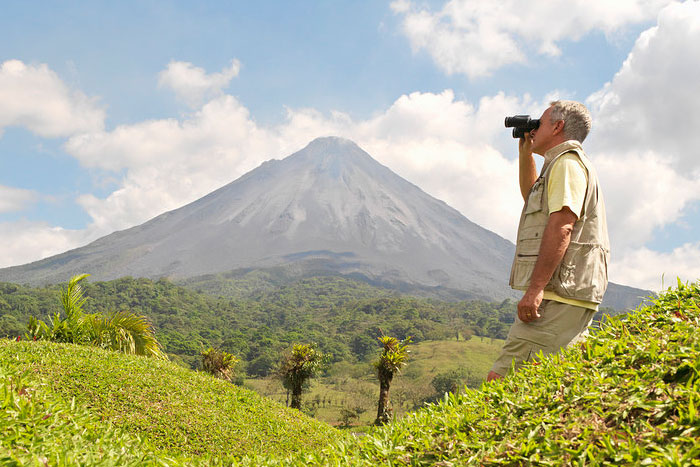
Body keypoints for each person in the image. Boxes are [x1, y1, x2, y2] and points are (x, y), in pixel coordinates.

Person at [487, 100, 610, 381]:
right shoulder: (560, 165)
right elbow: (534, 198)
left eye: (539, 124)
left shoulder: (567, 164)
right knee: (549, 381)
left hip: (556, 295)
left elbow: (562, 225)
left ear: (558, 126)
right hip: (568, 294)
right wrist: (525, 152)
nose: (534, 129)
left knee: (500, 384)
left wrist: (535, 290)